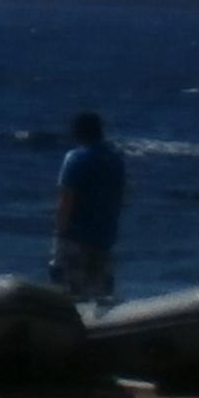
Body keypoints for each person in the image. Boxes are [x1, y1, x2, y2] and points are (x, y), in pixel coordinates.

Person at [51, 112, 130, 301]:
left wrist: (59, 234)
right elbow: (122, 197)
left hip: (76, 238)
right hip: (104, 238)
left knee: (69, 292)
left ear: (78, 133)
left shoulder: (75, 158)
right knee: (101, 295)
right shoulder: (116, 161)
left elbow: (66, 198)